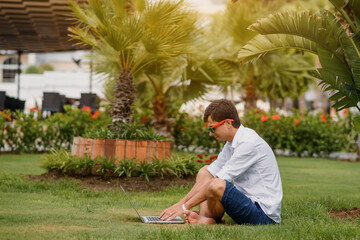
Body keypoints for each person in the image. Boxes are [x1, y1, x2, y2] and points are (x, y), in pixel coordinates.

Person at [159, 99, 282, 225]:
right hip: (246, 203)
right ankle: (206, 218)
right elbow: (210, 174)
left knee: (217, 184)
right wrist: (179, 204)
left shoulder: (248, 143)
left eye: (212, 128)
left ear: (228, 123)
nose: (210, 134)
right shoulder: (231, 143)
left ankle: (205, 219)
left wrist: (185, 207)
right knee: (204, 172)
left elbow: (217, 182)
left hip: (263, 215)